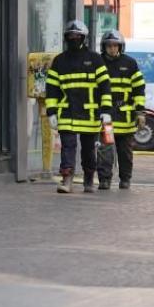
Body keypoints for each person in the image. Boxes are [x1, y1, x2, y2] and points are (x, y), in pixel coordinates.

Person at [45, 20, 113, 193]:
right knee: (67, 147)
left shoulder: (95, 59)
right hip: (67, 112)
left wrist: (105, 111)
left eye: (77, 36)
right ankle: (67, 179)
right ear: (66, 38)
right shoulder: (59, 61)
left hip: (90, 114)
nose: (73, 38)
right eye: (71, 36)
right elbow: (52, 89)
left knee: (89, 150)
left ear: (83, 38)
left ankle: (89, 179)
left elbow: (105, 86)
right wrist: (51, 112)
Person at [96, 29, 146, 190]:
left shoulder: (130, 63)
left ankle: (125, 179)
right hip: (107, 116)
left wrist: (140, 112)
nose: (112, 48)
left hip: (125, 116)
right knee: (106, 149)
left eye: (115, 45)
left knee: (125, 152)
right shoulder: (98, 63)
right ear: (104, 47)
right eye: (109, 45)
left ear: (120, 47)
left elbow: (139, 89)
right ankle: (104, 180)